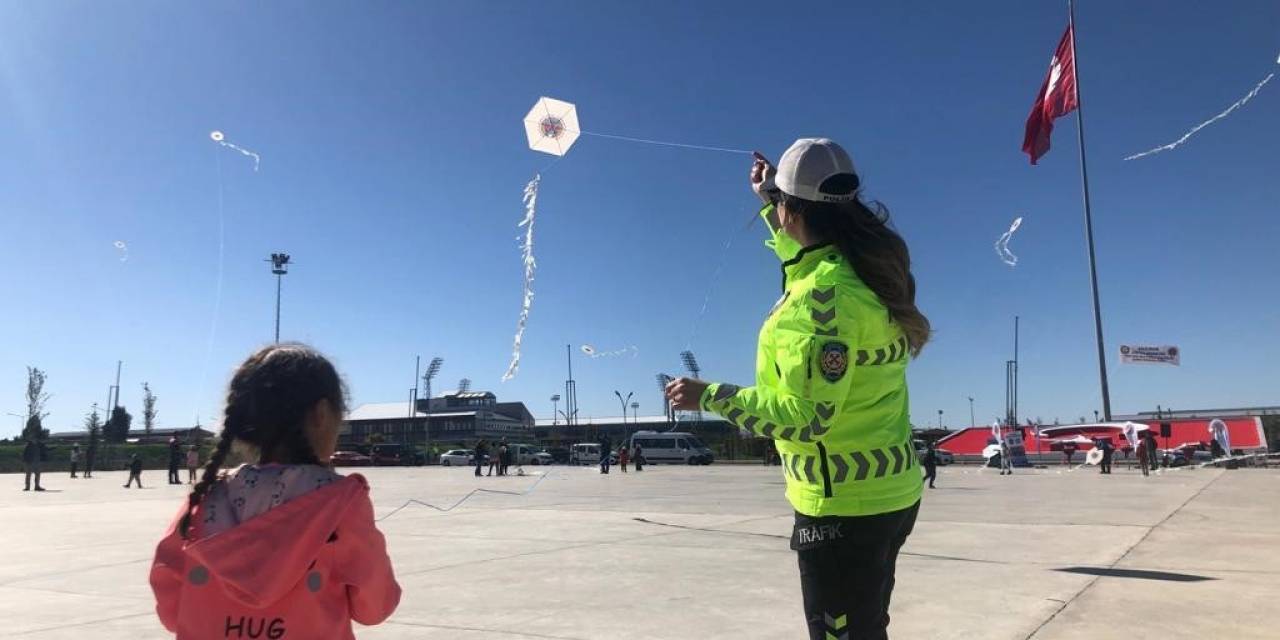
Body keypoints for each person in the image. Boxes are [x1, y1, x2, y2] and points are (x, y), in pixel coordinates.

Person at [666, 140, 928, 640]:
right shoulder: (860, 272)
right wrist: (773, 200)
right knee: (866, 627)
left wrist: (711, 396)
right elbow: (802, 256)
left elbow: (809, 419)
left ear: (796, 210)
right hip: (887, 493)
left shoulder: (822, 300)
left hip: (844, 507)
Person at [150, 343, 400, 638]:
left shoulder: (207, 497)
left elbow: (171, 605)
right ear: (321, 414)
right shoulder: (339, 502)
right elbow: (375, 606)